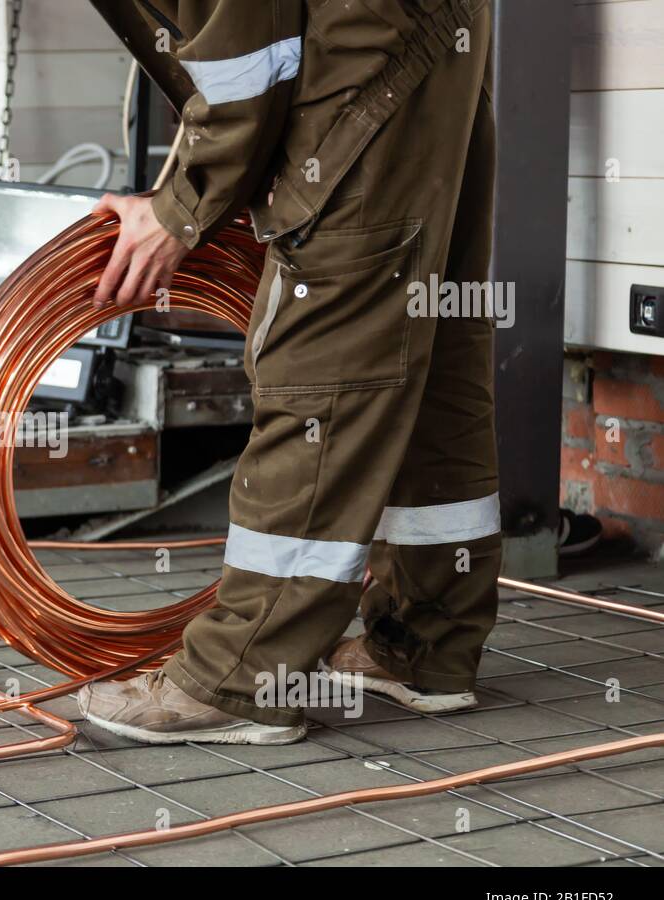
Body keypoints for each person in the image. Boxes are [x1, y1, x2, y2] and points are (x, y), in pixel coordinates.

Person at [78, 0, 500, 744]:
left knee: (322, 360)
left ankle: (241, 678)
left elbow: (247, 61)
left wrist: (182, 206)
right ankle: (424, 644)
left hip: (368, 73)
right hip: (425, 48)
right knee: (430, 355)